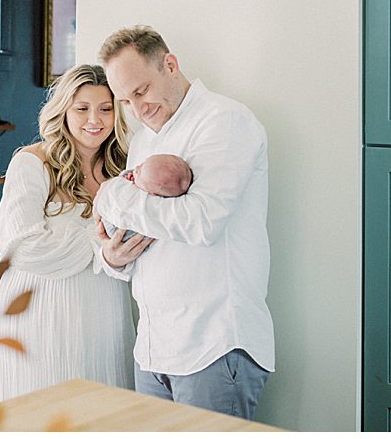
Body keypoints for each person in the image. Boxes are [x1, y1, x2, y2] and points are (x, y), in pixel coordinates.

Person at [94, 25, 274, 420]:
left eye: (141, 92)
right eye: (125, 100)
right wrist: (112, 258)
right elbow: (136, 235)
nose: (137, 109)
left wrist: (111, 195)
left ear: (170, 65)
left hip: (213, 344)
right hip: (154, 348)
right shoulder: (143, 140)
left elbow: (201, 223)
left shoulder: (225, 121)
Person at [0, 64, 149, 403]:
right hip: (40, 312)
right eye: (82, 108)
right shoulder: (32, 163)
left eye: (106, 109)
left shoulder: (124, 169)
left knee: (106, 407)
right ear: (63, 110)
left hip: (105, 309)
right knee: (45, 407)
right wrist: (99, 248)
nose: (95, 119)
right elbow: (19, 247)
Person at [100, 153, 193, 241]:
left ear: (151, 194)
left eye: (139, 172)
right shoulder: (147, 178)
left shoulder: (148, 204)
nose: (136, 168)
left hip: (122, 231)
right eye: (141, 164)